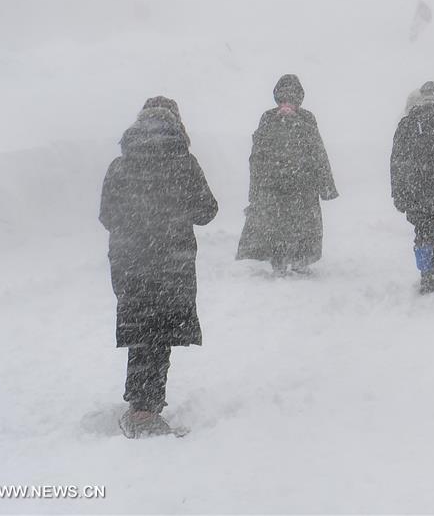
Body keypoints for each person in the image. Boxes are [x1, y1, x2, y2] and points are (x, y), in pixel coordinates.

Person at [100, 98, 218, 438]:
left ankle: (141, 405)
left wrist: (138, 225)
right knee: (160, 334)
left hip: (131, 264)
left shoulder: (119, 167)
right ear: (175, 125)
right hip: (172, 266)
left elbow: (107, 216)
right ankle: (144, 412)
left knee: (141, 332)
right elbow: (207, 211)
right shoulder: (184, 164)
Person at [236, 74, 338, 275]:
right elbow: (318, 152)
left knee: (276, 224)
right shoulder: (306, 118)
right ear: (300, 96)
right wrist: (326, 186)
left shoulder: (268, 118)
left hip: (273, 185)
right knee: (304, 224)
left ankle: (279, 261)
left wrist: (256, 188)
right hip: (303, 185)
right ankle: (301, 260)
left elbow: (257, 157)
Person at [390, 81, 434, 293]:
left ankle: (427, 275)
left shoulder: (407, 122)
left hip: (417, 189)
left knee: (422, 233)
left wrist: (398, 192)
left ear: (422, 96)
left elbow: (397, 161)